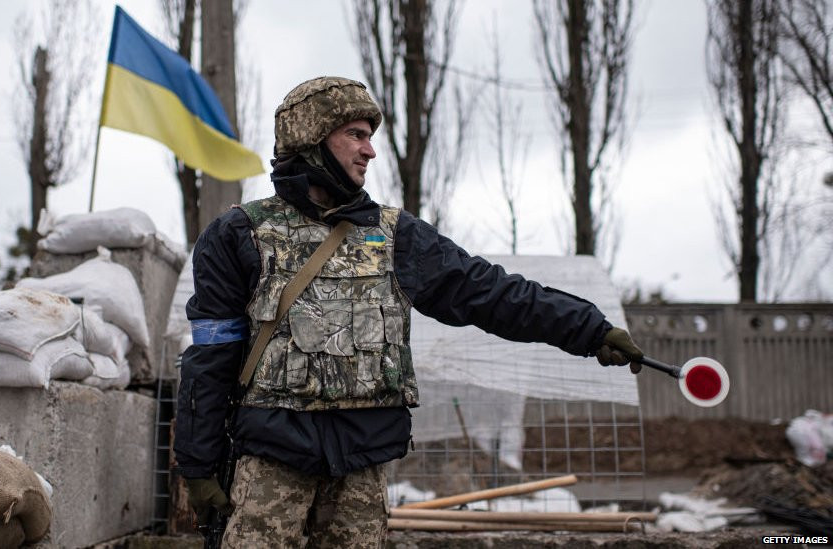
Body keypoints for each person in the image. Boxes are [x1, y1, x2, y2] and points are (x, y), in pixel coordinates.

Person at [173, 76, 645, 548]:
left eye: (369, 137)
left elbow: (489, 292)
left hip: (361, 468)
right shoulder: (238, 235)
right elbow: (211, 359)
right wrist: (198, 466)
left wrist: (588, 329)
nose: (370, 150)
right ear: (311, 139)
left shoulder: (396, 236)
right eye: (355, 135)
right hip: (270, 464)